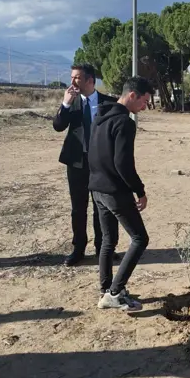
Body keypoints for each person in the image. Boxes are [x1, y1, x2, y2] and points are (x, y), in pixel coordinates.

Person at [88, 76, 153, 312]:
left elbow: (93, 153)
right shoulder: (125, 123)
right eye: (144, 101)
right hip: (114, 190)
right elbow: (123, 164)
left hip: (96, 188)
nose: (145, 107)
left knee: (108, 240)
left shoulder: (99, 116)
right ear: (132, 95)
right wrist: (140, 190)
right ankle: (115, 293)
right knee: (140, 239)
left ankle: (106, 289)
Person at [53, 64, 118, 266]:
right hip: (77, 163)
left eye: (77, 78)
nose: (72, 82)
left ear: (91, 80)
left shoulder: (108, 103)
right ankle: (78, 249)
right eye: (71, 77)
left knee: (102, 208)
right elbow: (58, 126)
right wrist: (64, 104)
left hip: (101, 164)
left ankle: (103, 249)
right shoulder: (71, 103)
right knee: (78, 208)